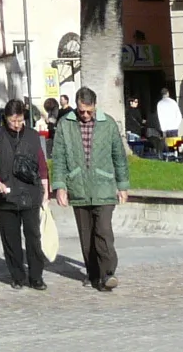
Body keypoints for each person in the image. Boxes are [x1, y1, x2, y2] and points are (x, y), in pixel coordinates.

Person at [46, 85, 129, 293]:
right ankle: (93, 274)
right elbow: (59, 158)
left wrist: (122, 185)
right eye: (81, 111)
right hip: (78, 186)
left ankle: (108, 273)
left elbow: (119, 156)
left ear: (95, 106)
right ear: (76, 107)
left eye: (88, 111)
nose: (84, 115)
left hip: (104, 186)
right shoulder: (66, 124)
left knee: (103, 231)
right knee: (86, 234)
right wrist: (60, 187)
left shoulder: (108, 124)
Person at [0, 98, 50, 291]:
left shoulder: (33, 136)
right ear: (5, 118)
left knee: (33, 237)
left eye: (20, 121)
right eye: (13, 121)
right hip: (6, 197)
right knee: (11, 239)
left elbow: (42, 165)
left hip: (30, 193)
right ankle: (18, 276)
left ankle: (36, 276)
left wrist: (46, 189)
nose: (17, 125)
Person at [156, 88, 183, 154]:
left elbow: (160, 117)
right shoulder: (173, 102)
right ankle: (176, 154)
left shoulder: (159, 104)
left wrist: (163, 129)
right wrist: (177, 125)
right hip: (174, 127)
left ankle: (169, 156)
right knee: (175, 145)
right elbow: (179, 115)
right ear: (168, 93)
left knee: (168, 145)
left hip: (166, 128)